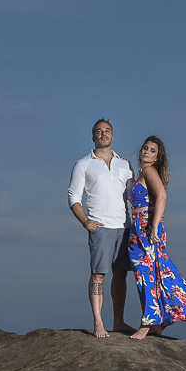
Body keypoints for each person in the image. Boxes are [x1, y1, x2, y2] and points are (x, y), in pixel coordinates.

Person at [126, 136, 186, 339]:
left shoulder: (148, 170)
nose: (147, 152)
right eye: (145, 148)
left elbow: (162, 196)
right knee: (157, 273)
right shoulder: (141, 173)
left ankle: (148, 322)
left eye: (152, 150)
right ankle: (158, 322)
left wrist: (153, 227)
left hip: (146, 229)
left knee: (147, 276)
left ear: (157, 157)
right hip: (140, 227)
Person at [68, 119, 135, 338]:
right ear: (93, 136)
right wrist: (87, 222)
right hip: (101, 227)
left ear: (113, 136)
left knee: (121, 275)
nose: (103, 134)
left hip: (124, 226)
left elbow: (133, 196)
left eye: (107, 131)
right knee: (98, 275)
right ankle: (98, 322)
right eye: (99, 131)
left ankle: (118, 321)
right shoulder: (83, 164)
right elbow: (73, 198)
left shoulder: (125, 164)